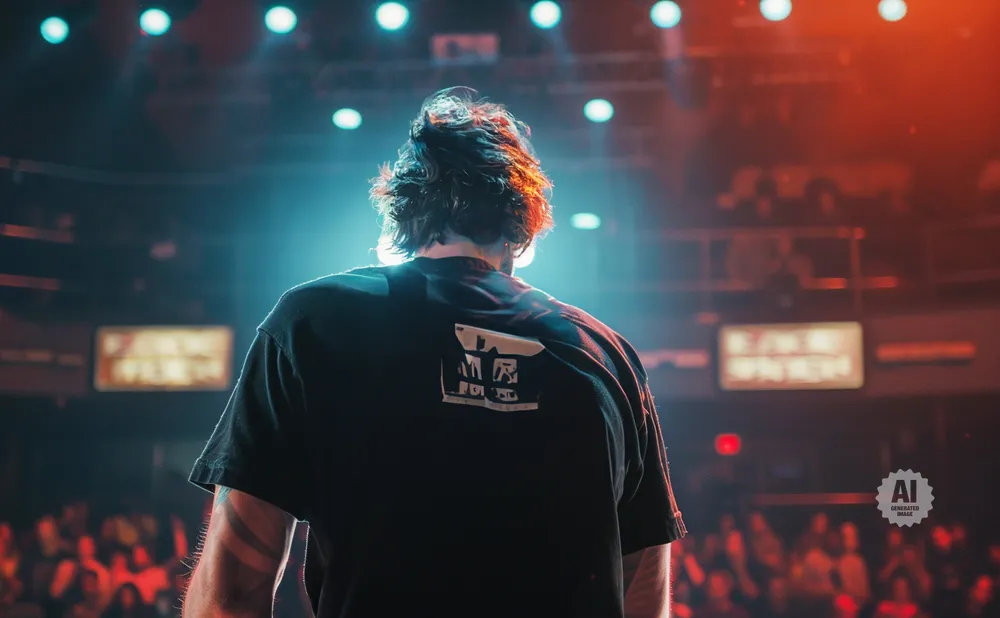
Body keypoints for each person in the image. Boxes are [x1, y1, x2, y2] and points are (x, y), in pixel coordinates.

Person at [183, 88, 686, 618]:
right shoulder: (606, 356)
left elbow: (233, 590)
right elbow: (645, 595)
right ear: (525, 223)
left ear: (402, 213)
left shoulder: (313, 325)